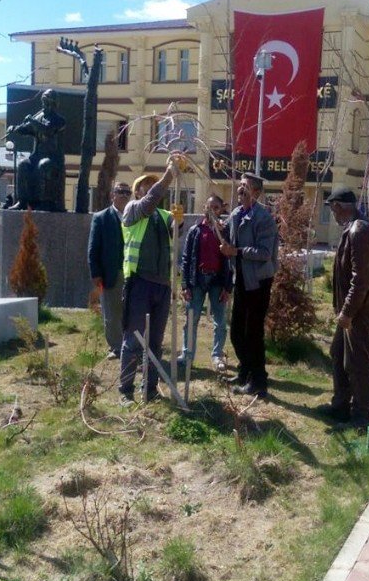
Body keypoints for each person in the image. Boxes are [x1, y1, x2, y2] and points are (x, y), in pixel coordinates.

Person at [317, 187, 369, 431]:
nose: (332, 213)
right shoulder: (354, 228)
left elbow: (361, 279)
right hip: (353, 307)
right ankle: (341, 405)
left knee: (358, 361)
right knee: (338, 352)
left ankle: (363, 414)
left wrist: (347, 312)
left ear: (339, 206)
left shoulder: (359, 230)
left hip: (360, 308)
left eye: (332, 207)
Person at [119, 154, 183, 404]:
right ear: (137, 191)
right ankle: (126, 391)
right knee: (134, 339)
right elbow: (149, 202)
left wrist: (178, 222)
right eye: (145, 184)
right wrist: (169, 175)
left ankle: (150, 390)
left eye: (153, 183)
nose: (151, 187)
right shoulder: (133, 210)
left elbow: (174, 235)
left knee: (155, 343)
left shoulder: (164, 214)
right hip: (139, 283)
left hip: (162, 286)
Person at [220, 173, 279, 399]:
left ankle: (259, 382)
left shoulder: (263, 218)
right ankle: (244, 373)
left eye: (245, 187)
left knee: (252, 333)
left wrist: (236, 252)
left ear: (256, 192)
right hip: (242, 278)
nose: (240, 190)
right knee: (236, 331)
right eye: (240, 186)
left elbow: (264, 253)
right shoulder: (237, 213)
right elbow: (229, 235)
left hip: (259, 281)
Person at [178, 194, 232, 371]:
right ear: (204, 209)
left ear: (221, 209)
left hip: (217, 280)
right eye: (210, 207)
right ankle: (187, 355)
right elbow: (186, 259)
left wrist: (228, 287)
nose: (213, 211)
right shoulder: (195, 231)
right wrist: (185, 285)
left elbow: (229, 261)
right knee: (191, 319)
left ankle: (217, 356)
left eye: (216, 208)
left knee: (220, 321)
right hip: (198, 280)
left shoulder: (225, 231)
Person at [87, 181, 132, 359]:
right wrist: (96, 274)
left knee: (129, 311)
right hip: (111, 273)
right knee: (112, 312)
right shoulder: (101, 217)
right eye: (120, 191)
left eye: (127, 192)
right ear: (112, 195)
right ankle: (115, 347)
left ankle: (129, 344)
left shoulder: (134, 217)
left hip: (132, 273)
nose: (123, 195)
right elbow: (93, 248)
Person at [5, 88, 65, 211]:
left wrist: (32, 121)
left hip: (52, 157)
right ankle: (22, 201)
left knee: (44, 165)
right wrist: (15, 128)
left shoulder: (59, 120)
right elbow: (26, 129)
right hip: (36, 156)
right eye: (43, 102)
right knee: (23, 165)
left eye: (47, 102)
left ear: (53, 103)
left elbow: (47, 130)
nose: (44, 105)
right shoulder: (39, 117)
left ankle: (45, 202)